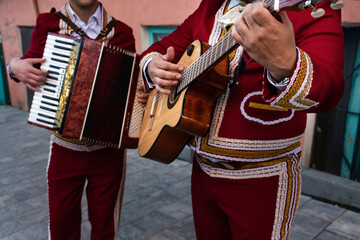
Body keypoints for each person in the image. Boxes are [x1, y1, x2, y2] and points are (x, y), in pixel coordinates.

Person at [139, 0, 344, 239]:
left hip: (263, 180)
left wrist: (287, 64)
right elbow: (157, 49)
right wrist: (153, 67)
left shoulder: (307, 9)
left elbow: (329, 89)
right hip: (202, 171)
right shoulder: (210, 8)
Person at [7, 0, 135, 239]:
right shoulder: (47, 24)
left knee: (105, 227)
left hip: (108, 151)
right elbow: (25, 63)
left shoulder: (123, 33)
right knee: (61, 224)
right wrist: (14, 67)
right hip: (64, 148)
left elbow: (129, 89)